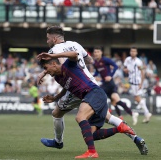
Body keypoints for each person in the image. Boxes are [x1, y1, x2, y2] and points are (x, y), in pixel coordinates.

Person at [36, 25, 148, 155]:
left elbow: (60, 64)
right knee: (107, 117)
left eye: (48, 38)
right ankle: (135, 137)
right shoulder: (75, 44)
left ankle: (58, 142)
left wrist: (44, 72)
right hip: (90, 82)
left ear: (54, 39)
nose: (47, 41)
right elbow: (89, 60)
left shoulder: (54, 50)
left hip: (79, 88)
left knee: (57, 113)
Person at [39, 51, 137, 158]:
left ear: (53, 64)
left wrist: (53, 55)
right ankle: (120, 128)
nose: (45, 71)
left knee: (80, 117)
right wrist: (55, 98)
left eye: (45, 67)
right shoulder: (58, 78)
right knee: (92, 134)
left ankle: (92, 152)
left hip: (94, 93)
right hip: (92, 96)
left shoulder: (68, 64)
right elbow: (67, 88)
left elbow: (75, 54)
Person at [93, 47, 139, 125]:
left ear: (101, 52)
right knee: (116, 101)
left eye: (98, 52)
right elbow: (97, 72)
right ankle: (132, 114)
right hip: (105, 83)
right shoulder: (95, 63)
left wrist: (110, 75)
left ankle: (99, 115)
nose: (96, 53)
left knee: (98, 94)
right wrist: (93, 77)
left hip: (109, 83)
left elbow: (115, 66)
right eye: (95, 52)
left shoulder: (105, 60)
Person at [124, 47, 152, 124]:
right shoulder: (127, 59)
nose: (133, 52)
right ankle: (147, 113)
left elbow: (142, 72)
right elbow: (125, 68)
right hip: (131, 80)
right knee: (137, 98)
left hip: (137, 82)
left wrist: (141, 83)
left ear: (136, 53)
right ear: (130, 52)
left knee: (137, 98)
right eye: (131, 51)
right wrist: (125, 70)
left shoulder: (138, 61)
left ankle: (147, 113)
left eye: (134, 51)